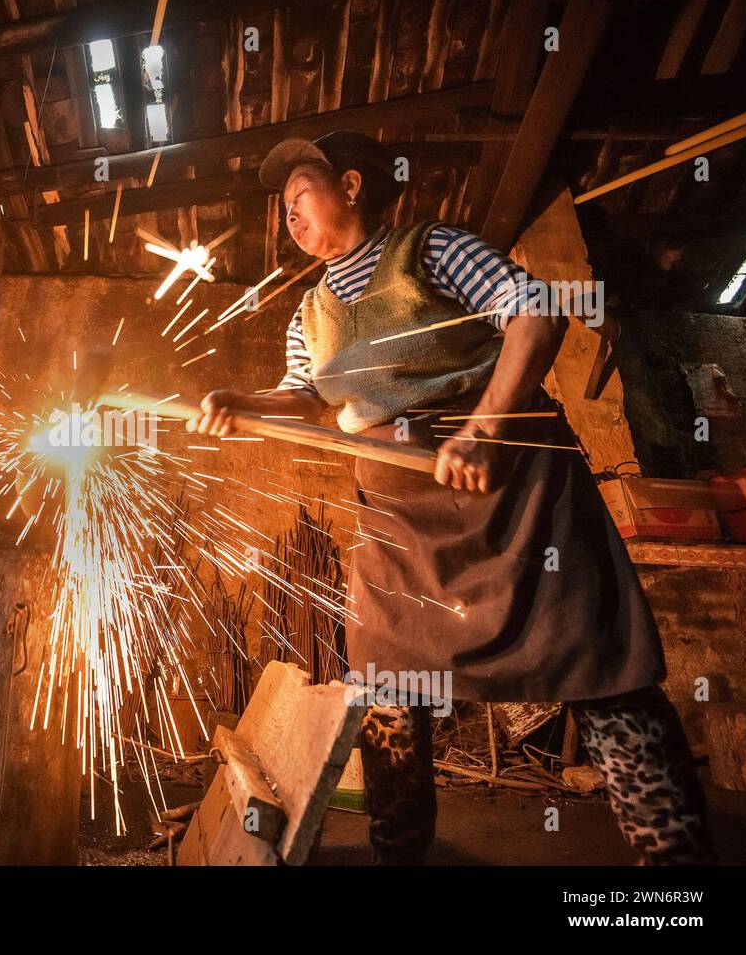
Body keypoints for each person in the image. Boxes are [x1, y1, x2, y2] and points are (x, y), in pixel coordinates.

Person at [187, 131, 713, 865]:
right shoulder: (306, 311)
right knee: (388, 693)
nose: (289, 220)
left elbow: (536, 310)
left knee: (598, 670)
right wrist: (239, 400)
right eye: (282, 212)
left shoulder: (432, 250)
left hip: (515, 493)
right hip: (397, 518)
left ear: (349, 185)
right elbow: (305, 400)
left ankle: (678, 872)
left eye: (298, 198)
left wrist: (483, 428)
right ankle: (398, 855)